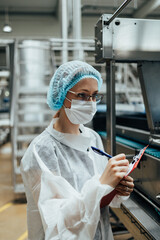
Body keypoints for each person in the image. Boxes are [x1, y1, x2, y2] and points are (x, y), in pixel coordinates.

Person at [20, 60, 134, 240]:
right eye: (82, 95)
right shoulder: (41, 151)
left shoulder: (93, 137)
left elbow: (99, 200)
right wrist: (101, 183)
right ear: (62, 95)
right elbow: (56, 221)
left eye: (95, 95)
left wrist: (116, 188)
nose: (90, 102)